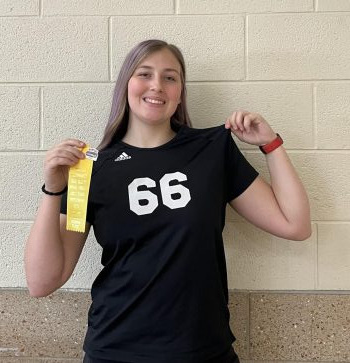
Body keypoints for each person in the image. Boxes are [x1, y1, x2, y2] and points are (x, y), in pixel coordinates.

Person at [25, 39, 311, 363]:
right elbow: (42, 281)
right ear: (126, 85)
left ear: (180, 91)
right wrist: (53, 189)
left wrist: (271, 144)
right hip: (117, 351)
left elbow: (295, 225)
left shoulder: (212, 151)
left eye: (170, 77)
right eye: (144, 74)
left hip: (204, 351)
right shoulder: (89, 171)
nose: (157, 86)